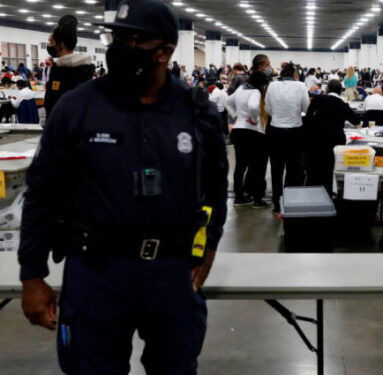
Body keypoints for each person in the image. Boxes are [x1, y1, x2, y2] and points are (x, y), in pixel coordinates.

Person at [18, 0, 228, 373]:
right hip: (95, 272)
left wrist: (209, 242)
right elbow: (41, 193)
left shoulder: (195, 110)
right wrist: (32, 274)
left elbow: (215, 184)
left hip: (171, 273)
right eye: (117, 37)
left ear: (164, 52)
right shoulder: (76, 108)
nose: (119, 48)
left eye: (133, 40)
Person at [265, 61, 309, 216]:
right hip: (294, 132)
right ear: (295, 75)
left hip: (275, 131)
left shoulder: (272, 85)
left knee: (276, 170)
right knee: (293, 170)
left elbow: (268, 109)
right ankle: (289, 203)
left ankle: (277, 205)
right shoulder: (301, 86)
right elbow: (306, 108)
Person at [302, 79, 361, 194]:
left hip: (316, 140)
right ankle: (329, 192)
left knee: (315, 168)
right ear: (340, 91)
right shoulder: (343, 104)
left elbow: (308, 117)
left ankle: (312, 192)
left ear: (327, 89)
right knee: (330, 169)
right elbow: (356, 121)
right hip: (335, 141)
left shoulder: (318, 99)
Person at [226, 65, 271, 207]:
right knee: (257, 165)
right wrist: (255, 119)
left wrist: (235, 115)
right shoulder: (256, 92)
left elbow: (227, 101)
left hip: (238, 130)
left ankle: (239, 197)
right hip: (251, 132)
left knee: (240, 166)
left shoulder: (241, 88)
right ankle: (257, 199)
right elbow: (253, 106)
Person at [44, 15, 95, 118]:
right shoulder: (59, 69)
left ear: (61, 44)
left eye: (51, 42)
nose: (49, 45)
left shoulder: (74, 73)